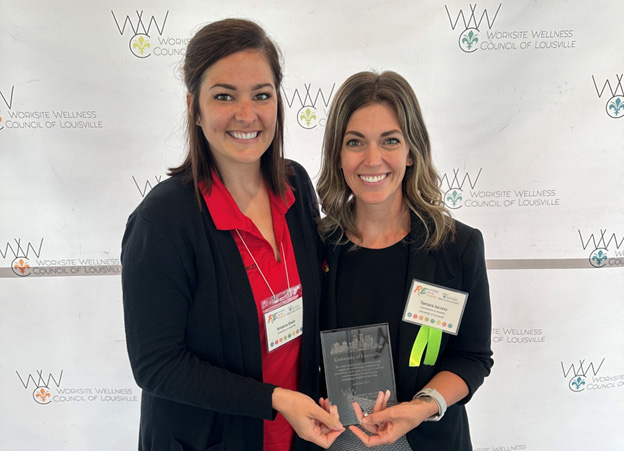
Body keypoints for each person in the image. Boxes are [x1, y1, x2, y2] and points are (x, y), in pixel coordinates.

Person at [121, 18, 343, 451]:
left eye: (261, 95)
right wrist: (275, 400)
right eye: (224, 96)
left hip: (299, 435)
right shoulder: (163, 221)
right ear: (195, 108)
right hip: (212, 440)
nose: (247, 114)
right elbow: (156, 365)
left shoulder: (295, 185)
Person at [316, 71, 493, 450]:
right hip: (336, 442)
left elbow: (472, 357)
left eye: (390, 141)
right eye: (355, 142)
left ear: (412, 151)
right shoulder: (315, 247)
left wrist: (422, 407)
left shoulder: (457, 247)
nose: (372, 159)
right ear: (338, 153)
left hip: (427, 439)